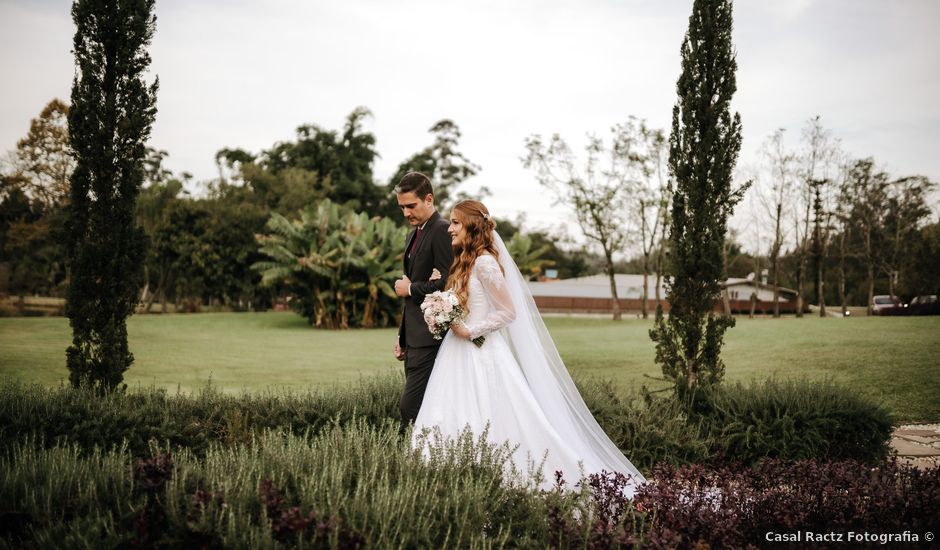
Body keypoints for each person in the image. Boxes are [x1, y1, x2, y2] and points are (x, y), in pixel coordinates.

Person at [413, 200, 646, 495]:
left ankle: (493, 481)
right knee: (447, 413)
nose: (450, 229)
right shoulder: (464, 261)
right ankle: (444, 485)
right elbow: (463, 303)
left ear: (473, 224)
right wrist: (440, 304)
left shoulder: (485, 262)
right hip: (455, 353)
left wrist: (470, 330)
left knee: (487, 416)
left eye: (456, 223)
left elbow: (508, 312)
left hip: (481, 352)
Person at [392, 172, 454, 434]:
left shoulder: (441, 230)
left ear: (429, 199)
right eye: (402, 207)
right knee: (422, 406)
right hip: (414, 337)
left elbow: (448, 284)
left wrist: (409, 288)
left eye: (411, 206)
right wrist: (402, 336)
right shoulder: (413, 235)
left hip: (432, 338)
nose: (406, 212)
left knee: (411, 407)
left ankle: (417, 461)